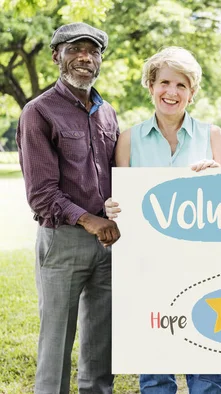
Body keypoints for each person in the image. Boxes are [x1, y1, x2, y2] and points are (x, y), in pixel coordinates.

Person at [105, 47, 221, 393]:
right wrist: (113, 207)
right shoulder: (128, 140)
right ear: (151, 85)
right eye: (164, 82)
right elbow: (121, 203)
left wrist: (220, 176)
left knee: (205, 368)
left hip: (203, 268)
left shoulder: (213, 137)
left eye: (181, 85)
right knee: (156, 371)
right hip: (148, 269)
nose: (171, 92)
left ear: (192, 92)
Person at [16, 22, 120, 393]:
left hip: (108, 243)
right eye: (75, 49)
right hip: (63, 241)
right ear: (56, 55)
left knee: (101, 342)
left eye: (93, 51)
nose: (85, 57)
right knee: (56, 340)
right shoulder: (38, 112)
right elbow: (42, 193)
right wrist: (88, 219)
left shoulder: (107, 113)